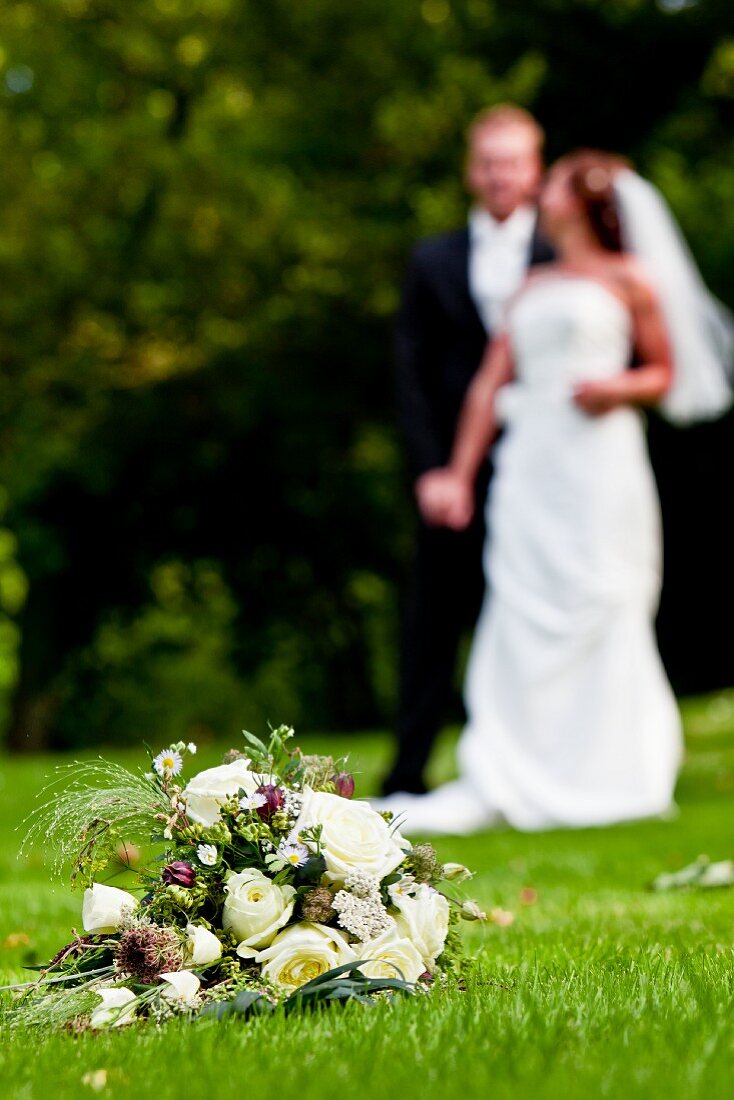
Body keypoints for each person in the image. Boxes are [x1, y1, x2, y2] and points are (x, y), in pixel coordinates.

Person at [376, 151, 687, 834]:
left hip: (599, 467)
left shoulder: (632, 279)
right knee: (520, 604)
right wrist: (459, 473)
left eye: (553, 182)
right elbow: (489, 387)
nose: (542, 190)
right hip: (529, 471)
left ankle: (612, 768)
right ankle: (516, 763)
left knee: (602, 597)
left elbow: (665, 371)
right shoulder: (531, 285)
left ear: (580, 201)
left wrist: (617, 387)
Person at [382, 105, 554, 797]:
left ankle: (530, 769)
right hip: (453, 470)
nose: (500, 175)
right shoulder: (433, 259)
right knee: (434, 618)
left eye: (512, 162)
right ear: (469, 170)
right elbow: (411, 372)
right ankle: (407, 770)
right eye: (488, 161)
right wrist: (432, 469)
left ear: (536, 170)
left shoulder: (566, 252)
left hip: (545, 466)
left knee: (533, 612)